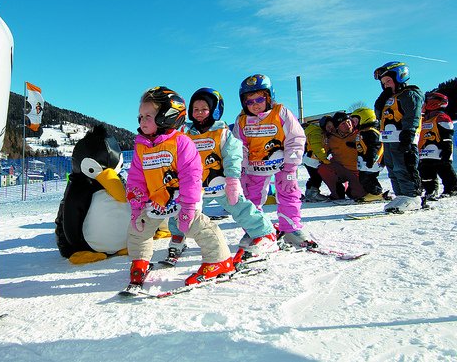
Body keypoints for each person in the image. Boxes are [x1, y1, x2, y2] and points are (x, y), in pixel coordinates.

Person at [125, 86, 234, 287]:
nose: (142, 121)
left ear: (168, 116)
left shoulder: (181, 142)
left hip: (183, 199)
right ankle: (140, 261)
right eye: (140, 116)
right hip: (156, 200)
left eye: (148, 116)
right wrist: (136, 205)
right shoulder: (141, 145)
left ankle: (219, 260)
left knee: (199, 227)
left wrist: (188, 207)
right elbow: (135, 178)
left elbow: (192, 175)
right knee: (138, 230)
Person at [166, 88, 278, 267]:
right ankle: (178, 235)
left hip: (220, 183)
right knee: (180, 210)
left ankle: (264, 233)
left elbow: (233, 156)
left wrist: (233, 179)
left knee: (240, 208)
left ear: (214, 110)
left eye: (204, 109)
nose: (200, 113)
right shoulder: (184, 133)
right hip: (194, 186)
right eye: (196, 109)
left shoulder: (223, 132)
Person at [233, 74, 316, 248]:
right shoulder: (242, 120)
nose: (255, 105)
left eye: (259, 99)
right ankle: (255, 230)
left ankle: (291, 229)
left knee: (288, 193)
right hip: (255, 167)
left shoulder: (281, 113)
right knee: (251, 199)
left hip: (281, 166)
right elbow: (239, 146)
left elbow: (295, 138)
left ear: (269, 97)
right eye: (250, 102)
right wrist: (241, 170)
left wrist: (290, 168)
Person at [374, 61, 424, 212]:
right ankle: (401, 195)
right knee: (393, 169)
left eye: (388, 81)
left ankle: (412, 196)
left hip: (403, 138)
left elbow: (412, 115)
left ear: (400, 77)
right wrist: (381, 99)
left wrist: (408, 132)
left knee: (404, 166)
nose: (386, 85)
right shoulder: (389, 98)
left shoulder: (409, 93)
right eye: (383, 83)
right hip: (389, 140)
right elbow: (379, 115)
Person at [318, 111, 367, 200]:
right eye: (343, 124)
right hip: (341, 168)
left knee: (358, 195)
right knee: (323, 168)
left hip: (357, 171)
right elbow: (323, 151)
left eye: (348, 122)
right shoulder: (331, 138)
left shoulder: (359, 133)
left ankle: (352, 190)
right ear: (337, 127)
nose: (347, 125)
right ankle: (337, 192)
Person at [418, 91, 457, 200]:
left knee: (445, 171)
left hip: (440, 151)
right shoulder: (424, 119)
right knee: (426, 173)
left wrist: (446, 150)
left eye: (425, 102)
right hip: (425, 153)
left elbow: (447, 135)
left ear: (433, 102)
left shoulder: (442, 117)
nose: (423, 105)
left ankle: (452, 188)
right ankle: (430, 191)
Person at [350, 107, 388, 202]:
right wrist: (352, 145)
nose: (354, 123)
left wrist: (371, 158)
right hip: (366, 160)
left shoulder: (371, 132)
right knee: (368, 177)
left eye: (355, 120)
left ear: (365, 119)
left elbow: (374, 146)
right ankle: (376, 192)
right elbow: (363, 145)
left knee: (365, 178)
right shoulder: (364, 132)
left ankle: (376, 193)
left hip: (372, 161)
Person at [301, 119, 330, 202]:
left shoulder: (316, 132)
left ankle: (309, 192)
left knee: (314, 177)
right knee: (317, 177)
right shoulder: (316, 132)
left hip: (310, 159)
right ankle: (314, 193)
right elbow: (317, 147)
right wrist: (323, 158)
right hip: (313, 159)